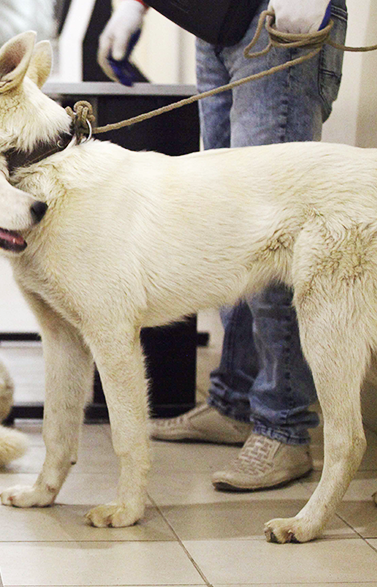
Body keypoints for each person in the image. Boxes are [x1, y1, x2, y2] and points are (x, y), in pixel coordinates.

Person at [98, 0, 348, 491]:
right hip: (213, 21)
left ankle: (284, 428)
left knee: (272, 229)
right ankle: (234, 402)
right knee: (225, 227)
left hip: (273, 17)